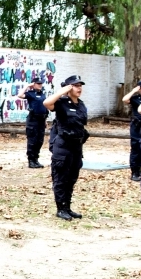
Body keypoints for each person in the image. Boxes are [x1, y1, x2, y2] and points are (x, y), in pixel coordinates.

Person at [45, 75, 90, 220]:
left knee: (71, 178)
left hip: (76, 146)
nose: (79, 88)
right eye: (76, 86)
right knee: (60, 178)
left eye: (80, 86)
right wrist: (62, 92)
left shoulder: (81, 105)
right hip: (63, 145)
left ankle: (67, 207)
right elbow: (47, 103)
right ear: (69, 88)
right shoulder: (61, 102)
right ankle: (60, 208)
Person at [121, 80, 141, 181]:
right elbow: (124, 99)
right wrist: (134, 91)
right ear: (139, 88)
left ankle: (140, 170)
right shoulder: (135, 98)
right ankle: (134, 172)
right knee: (135, 149)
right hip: (136, 127)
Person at [16, 76, 46, 168]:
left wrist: (45, 120)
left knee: (40, 140)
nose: (40, 85)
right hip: (33, 120)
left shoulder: (42, 94)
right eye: (38, 84)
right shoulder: (30, 93)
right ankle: (31, 160)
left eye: (41, 83)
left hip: (41, 120)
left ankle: (36, 159)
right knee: (32, 140)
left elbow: (43, 107)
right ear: (33, 85)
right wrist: (27, 86)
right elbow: (20, 95)